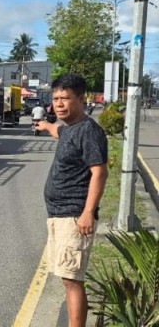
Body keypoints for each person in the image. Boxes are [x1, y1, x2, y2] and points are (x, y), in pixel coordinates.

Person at [36, 74, 108, 327]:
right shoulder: (70, 128)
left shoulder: (88, 131)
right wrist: (46, 126)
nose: (59, 104)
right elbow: (58, 131)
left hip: (74, 215)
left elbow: (99, 171)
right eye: (56, 99)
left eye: (65, 98)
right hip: (59, 214)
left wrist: (88, 212)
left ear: (81, 99)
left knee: (72, 279)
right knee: (66, 276)